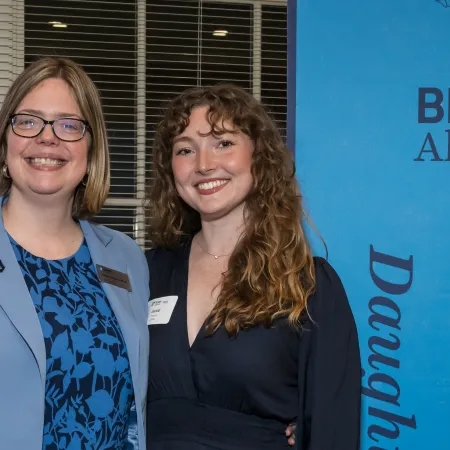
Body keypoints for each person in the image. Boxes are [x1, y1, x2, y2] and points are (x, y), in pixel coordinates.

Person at [145, 84, 361, 449]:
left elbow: (333, 430)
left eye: (223, 143)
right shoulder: (146, 272)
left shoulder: (307, 285)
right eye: (185, 149)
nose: (203, 164)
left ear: (259, 158)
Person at [0, 57, 149, 450]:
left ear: (90, 152)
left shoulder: (126, 258)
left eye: (69, 125)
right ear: (5, 142)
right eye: (29, 121)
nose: (47, 138)